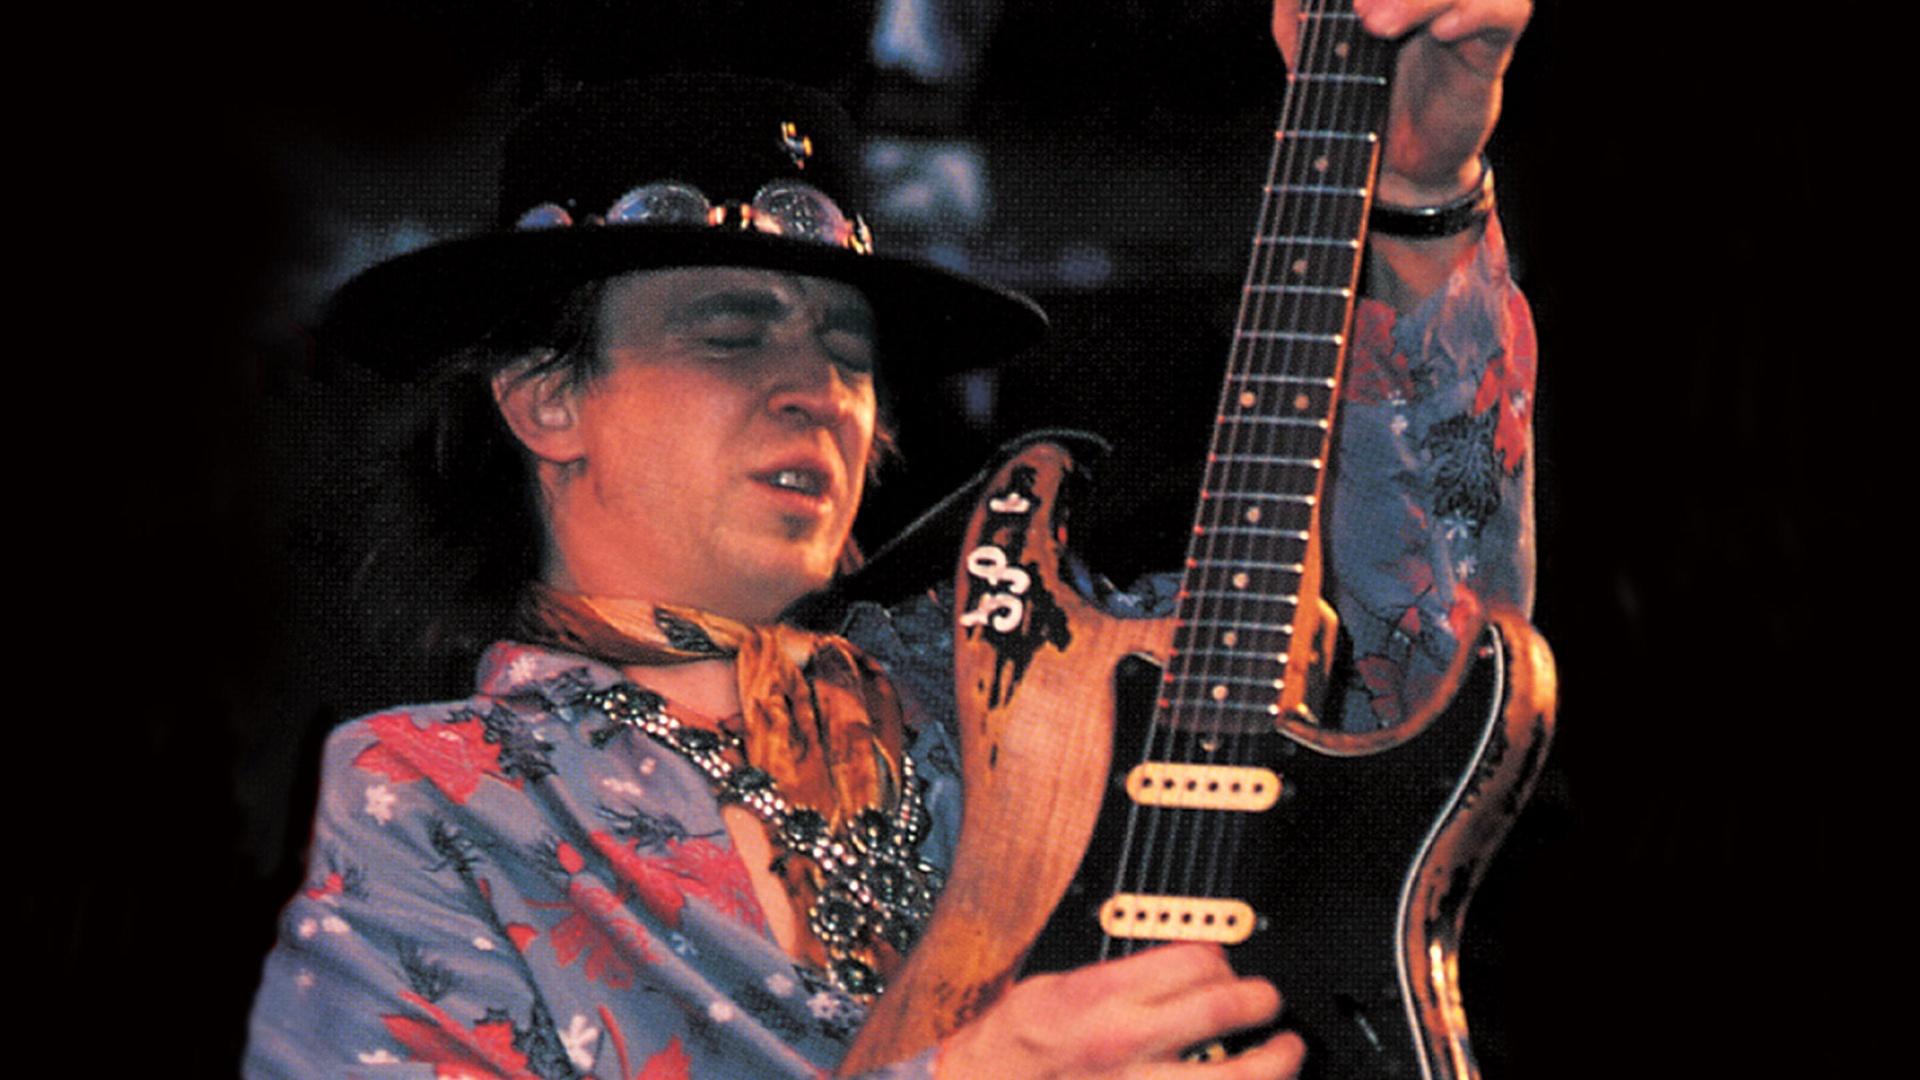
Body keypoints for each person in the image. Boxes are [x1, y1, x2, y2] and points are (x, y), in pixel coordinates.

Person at [246, 1, 1537, 1076]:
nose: (817, 389)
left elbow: (1426, 671)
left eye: (847, 350)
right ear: (546, 399)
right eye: (731, 333)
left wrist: (1418, 196)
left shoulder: (1055, 674)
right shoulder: (437, 802)